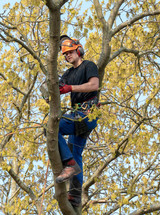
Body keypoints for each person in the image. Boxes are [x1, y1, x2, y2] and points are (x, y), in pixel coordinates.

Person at [55, 35, 99, 207]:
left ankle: (69, 164)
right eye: (65, 54)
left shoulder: (89, 65)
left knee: (51, 130)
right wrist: (50, 93)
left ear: (78, 50)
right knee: (76, 153)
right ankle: (75, 196)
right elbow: (57, 88)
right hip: (76, 116)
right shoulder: (67, 74)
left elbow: (94, 85)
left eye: (70, 52)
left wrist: (70, 88)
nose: (67, 56)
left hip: (87, 113)